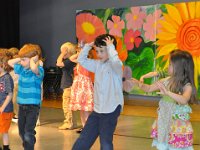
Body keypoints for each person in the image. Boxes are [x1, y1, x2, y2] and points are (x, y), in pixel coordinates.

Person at [130, 50, 196, 150]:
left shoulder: (187, 86)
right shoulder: (165, 81)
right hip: (164, 120)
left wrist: (168, 93)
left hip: (176, 124)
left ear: (179, 68)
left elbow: (184, 100)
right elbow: (149, 88)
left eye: (170, 64)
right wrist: (139, 84)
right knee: (164, 144)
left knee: (175, 146)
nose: (167, 66)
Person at [72, 34, 123, 150]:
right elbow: (81, 60)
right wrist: (88, 47)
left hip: (111, 109)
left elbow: (116, 62)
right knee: (83, 140)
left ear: (110, 50)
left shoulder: (116, 67)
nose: (99, 54)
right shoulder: (97, 64)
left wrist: (111, 48)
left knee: (105, 142)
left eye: (102, 51)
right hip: (98, 110)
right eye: (97, 51)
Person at [8, 44, 44, 150]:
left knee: (28, 133)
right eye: (21, 60)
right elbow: (10, 62)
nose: (21, 62)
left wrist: (33, 60)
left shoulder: (38, 70)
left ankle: (29, 145)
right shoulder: (21, 69)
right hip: (22, 105)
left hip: (33, 107)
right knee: (21, 131)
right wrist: (21, 58)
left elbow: (34, 68)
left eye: (24, 60)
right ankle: (30, 141)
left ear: (34, 59)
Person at [69, 45, 94, 133]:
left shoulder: (87, 61)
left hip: (84, 86)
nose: (78, 54)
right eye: (77, 52)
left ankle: (88, 127)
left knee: (86, 109)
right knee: (81, 109)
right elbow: (71, 58)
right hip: (78, 86)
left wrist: (83, 52)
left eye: (80, 52)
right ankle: (84, 126)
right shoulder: (79, 61)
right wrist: (78, 53)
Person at [56, 42, 77, 130]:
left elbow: (58, 63)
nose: (61, 53)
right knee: (68, 105)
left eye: (63, 51)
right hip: (68, 85)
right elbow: (58, 62)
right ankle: (72, 123)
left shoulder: (70, 61)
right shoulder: (69, 61)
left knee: (66, 105)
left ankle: (69, 123)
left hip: (69, 86)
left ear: (67, 52)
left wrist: (62, 54)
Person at [0, 56, 14, 150]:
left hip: (5, 110)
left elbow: (10, 94)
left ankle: (6, 148)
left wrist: (2, 107)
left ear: (3, 65)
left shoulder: (7, 78)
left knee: (4, 131)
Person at [6, 48, 19, 123]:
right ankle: (13, 114)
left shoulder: (19, 65)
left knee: (15, 101)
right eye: (13, 56)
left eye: (16, 56)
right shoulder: (9, 65)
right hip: (10, 84)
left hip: (17, 84)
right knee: (9, 101)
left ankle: (17, 115)